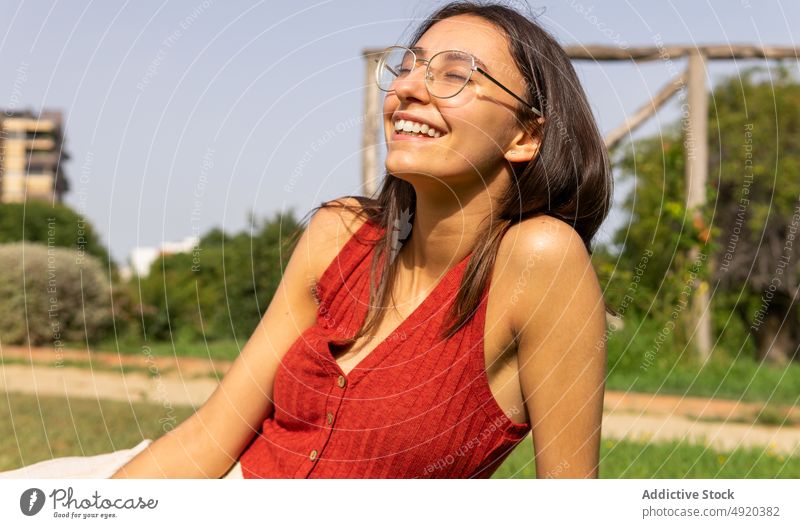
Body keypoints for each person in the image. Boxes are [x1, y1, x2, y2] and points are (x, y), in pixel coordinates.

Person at [5, 0, 613, 479]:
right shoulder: (342, 232)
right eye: (409, 66)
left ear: (525, 138)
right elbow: (212, 436)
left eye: (455, 74)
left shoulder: (542, 260)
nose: (409, 88)